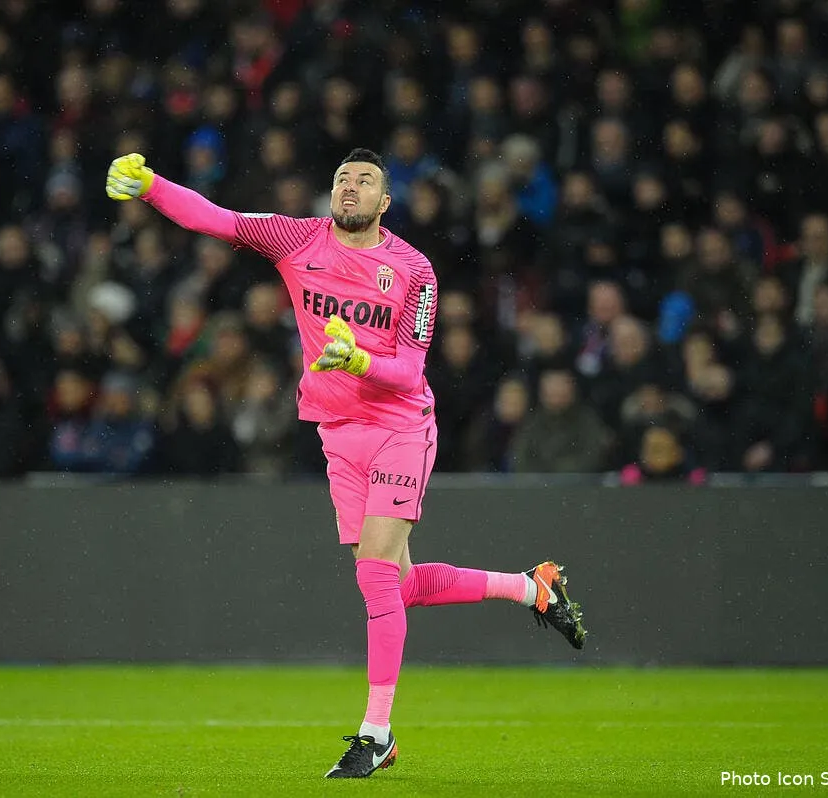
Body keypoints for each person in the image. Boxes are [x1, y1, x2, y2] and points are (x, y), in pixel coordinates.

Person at [105, 148, 587, 779]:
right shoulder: (295, 239)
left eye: (365, 181)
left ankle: (376, 733)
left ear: (386, 203)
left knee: (377, 581)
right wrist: (150, 185)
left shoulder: (414, 270)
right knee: (401, 586)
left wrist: (358, 361)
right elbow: (213, 218)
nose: (350, 187)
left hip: (400, 427)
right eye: (341, 178)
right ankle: (532, 587)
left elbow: (410, 370)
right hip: (337, 433)